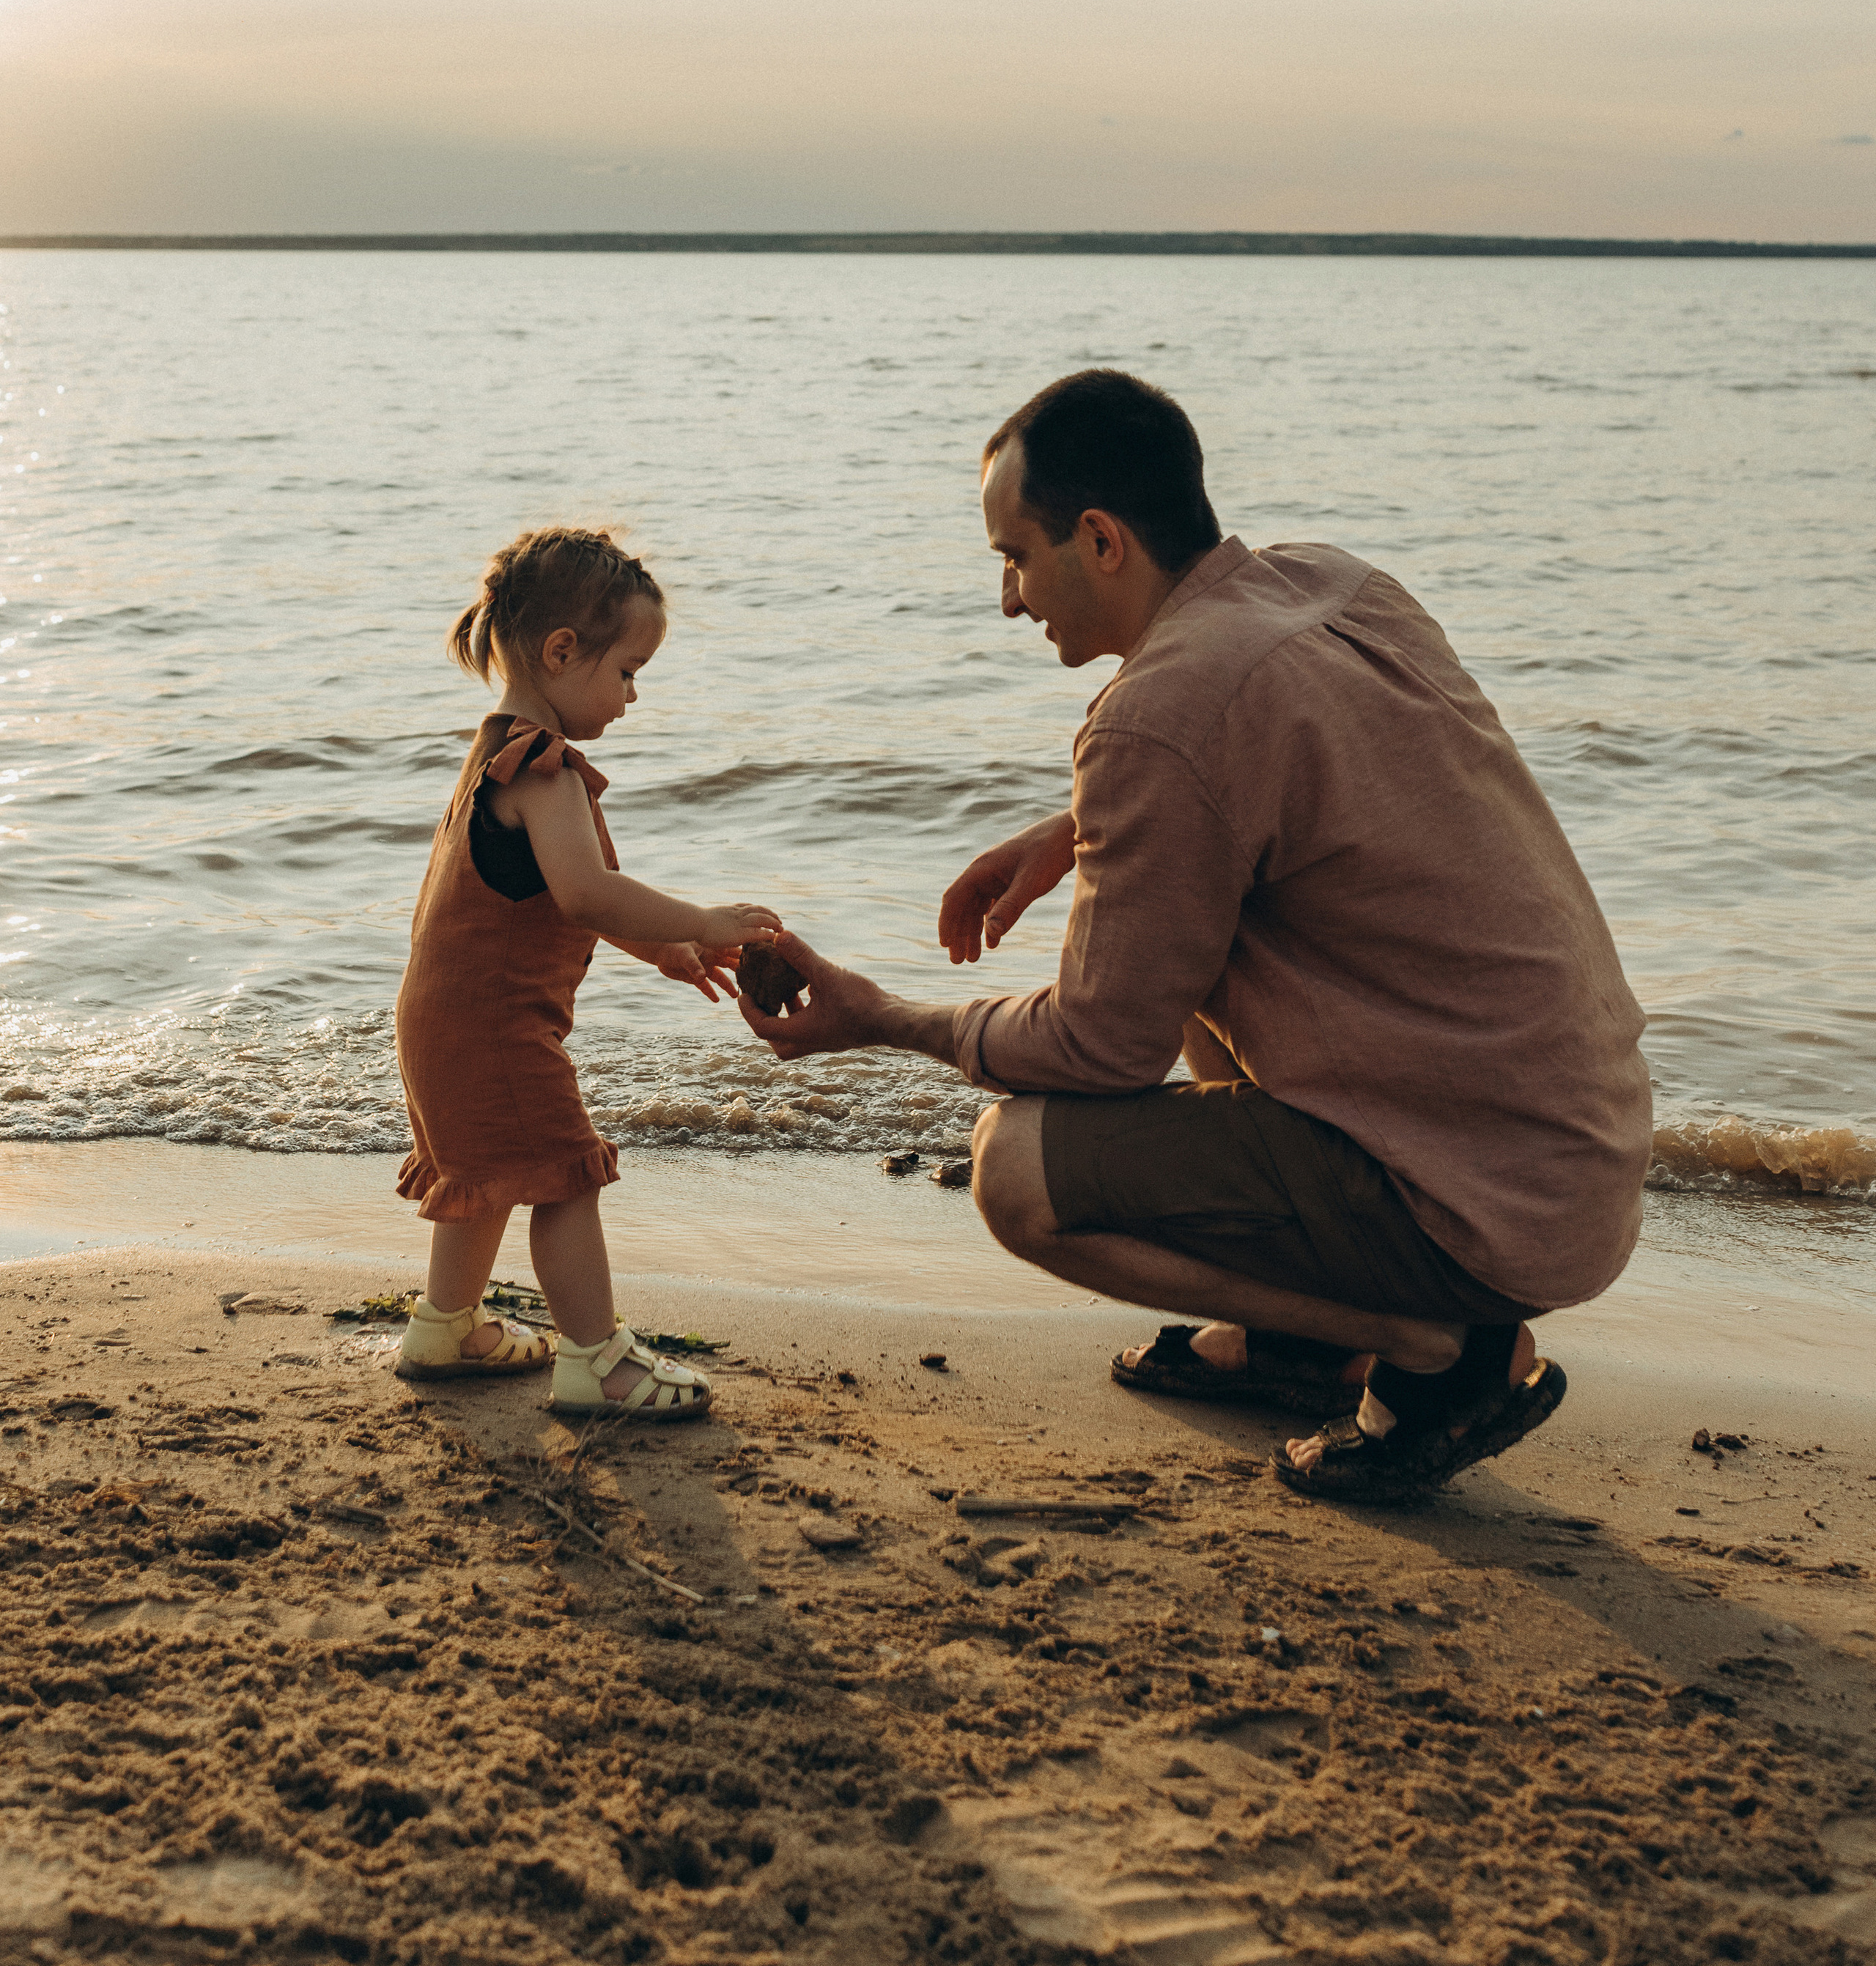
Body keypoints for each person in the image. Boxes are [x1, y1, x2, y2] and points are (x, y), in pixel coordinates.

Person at [737, 371, 1653, 1505]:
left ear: (1102, 539)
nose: (1011, 601)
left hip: (1480, 1211)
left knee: (1015, 1171)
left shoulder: (1165, 718)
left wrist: (877, 1017)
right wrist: (1077, 829)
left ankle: (1440, 1353)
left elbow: (1097, 1050)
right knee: (1197, 933)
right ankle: (1300, 1345)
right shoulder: (1338, 585)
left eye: (1013, 557)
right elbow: (1288, 775)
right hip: (1572, 1154)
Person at [394, 525, 781, 1418]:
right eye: (630, 670)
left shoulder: (496, 749)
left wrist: (664, 949)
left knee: (485, 1175)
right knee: (564, 1177)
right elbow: (586, 893)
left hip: (442, 1019)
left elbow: (543, 891)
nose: (634, 696)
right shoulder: (544, 768)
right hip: (494, 1028)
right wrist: (706, 919)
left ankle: (445, 1325)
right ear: (563, 650)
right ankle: (596, 1360)